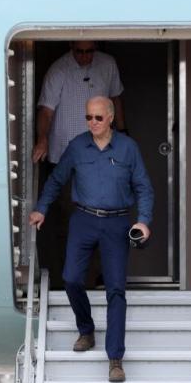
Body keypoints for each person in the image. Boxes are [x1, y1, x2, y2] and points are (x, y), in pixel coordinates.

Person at [29, 96, 154, 383]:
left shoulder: (128, 148)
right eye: (88, 118)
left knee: (115, 291)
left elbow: (144, 188)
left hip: (117, 222)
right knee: (71, 278)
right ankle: (86, 330)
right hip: (83, 219)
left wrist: (144, 221)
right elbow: (57, 180)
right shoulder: (77, 146)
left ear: (111, 117)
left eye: (98, 118)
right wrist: (41, 209)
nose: (93, 123)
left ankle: (115, 359)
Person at [32, 41, 127, 287]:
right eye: (79, 52)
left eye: (89, 52)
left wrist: (124, 133)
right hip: (66, 157)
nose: (84, 57)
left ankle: (93, 278)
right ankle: (69, 280)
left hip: (103, 158)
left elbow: (116, 99)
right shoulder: (59, 70)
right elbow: (46, 111)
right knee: (69, 223)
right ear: (71, 49)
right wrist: (42, 140)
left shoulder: (108, 65)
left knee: (103, 217)